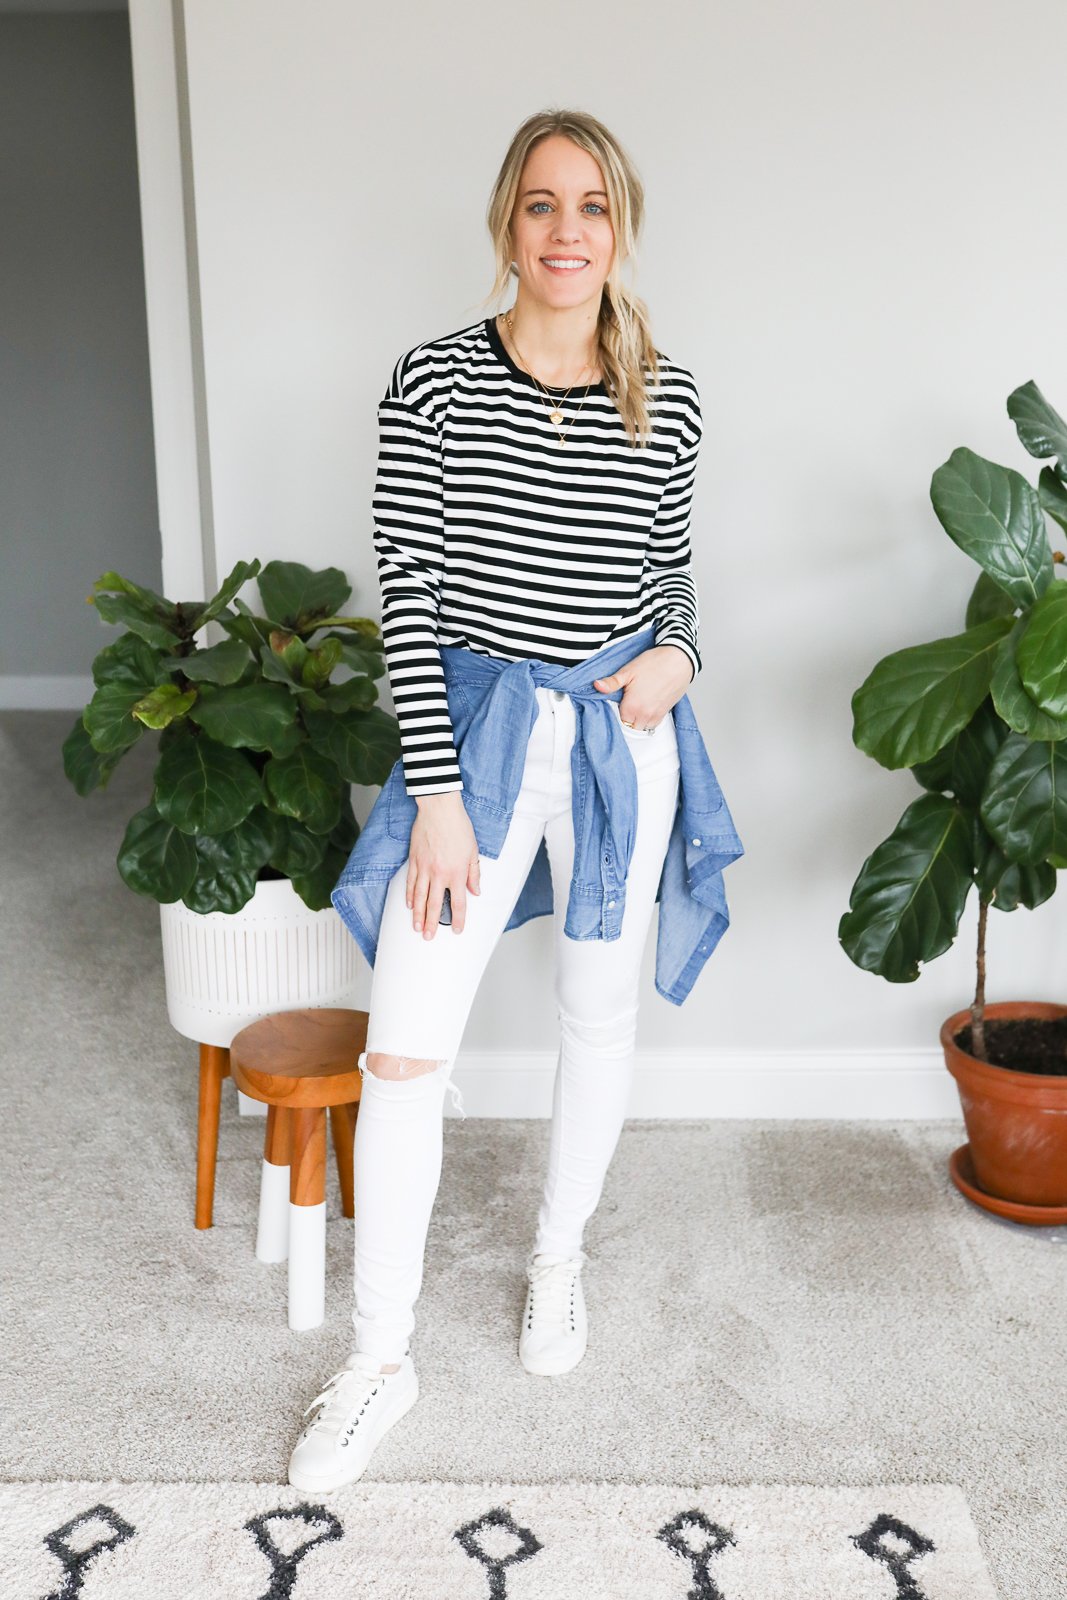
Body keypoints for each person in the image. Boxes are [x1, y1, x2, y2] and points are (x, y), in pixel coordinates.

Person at [287, 107, 741, 1494]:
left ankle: (558, 1262)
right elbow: (408, 598)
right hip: (477, 737)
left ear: (622, 226)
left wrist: (678, 654)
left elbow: (669, 575)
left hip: (620, 737)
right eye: (541, 205)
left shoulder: (666, 386)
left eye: (591, 205)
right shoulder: (430, 381)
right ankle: (378, 1360)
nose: (566, 231)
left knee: (595, 1012)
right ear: (506, 225)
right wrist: (434, 794)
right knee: (407, 1047)